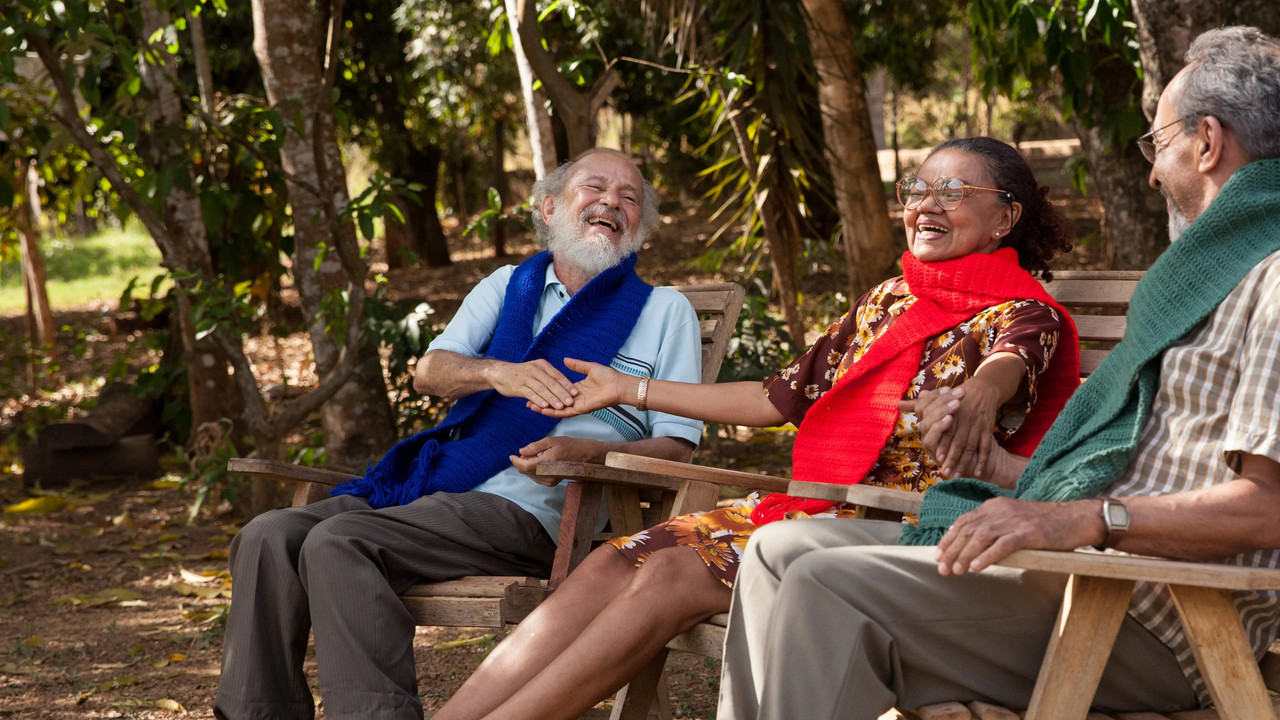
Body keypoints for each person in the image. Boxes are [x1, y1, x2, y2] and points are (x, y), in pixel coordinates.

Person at [718, 25, 1280, 720]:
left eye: (1157, 144)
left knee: (825, 586)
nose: (1152, 172)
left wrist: (1081, 518)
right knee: (777, 550)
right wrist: (1000, 467)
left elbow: (1269, 508)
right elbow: (1135, 469)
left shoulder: (1272, 280)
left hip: (1156, 614)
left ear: (1208, 141)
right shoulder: (1204, 281)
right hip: (1083, 571)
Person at [432, 136, 1080, 720]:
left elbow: (1008, 367)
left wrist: (976, 396)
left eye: (953, 192)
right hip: (819, 509)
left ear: (1005, 216)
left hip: (905, 526)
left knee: (669, 576)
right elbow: (775, 399)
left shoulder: (1025, 316)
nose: (927, 205)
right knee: (611, 563)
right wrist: (628, 387)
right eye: (918, 189)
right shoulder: (888, 302)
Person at [212, 148, 708, 720]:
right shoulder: (509, 286)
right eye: (593, 188)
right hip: (448, 481)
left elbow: (676, 448)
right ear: (548, 208)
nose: (610, 203)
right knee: (266, 536)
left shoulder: (663, 310)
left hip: (538, 504)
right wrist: (497, 371)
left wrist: (594, 449)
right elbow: (431, 372)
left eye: (629, 198)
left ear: (639, 229)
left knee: (339, 543)